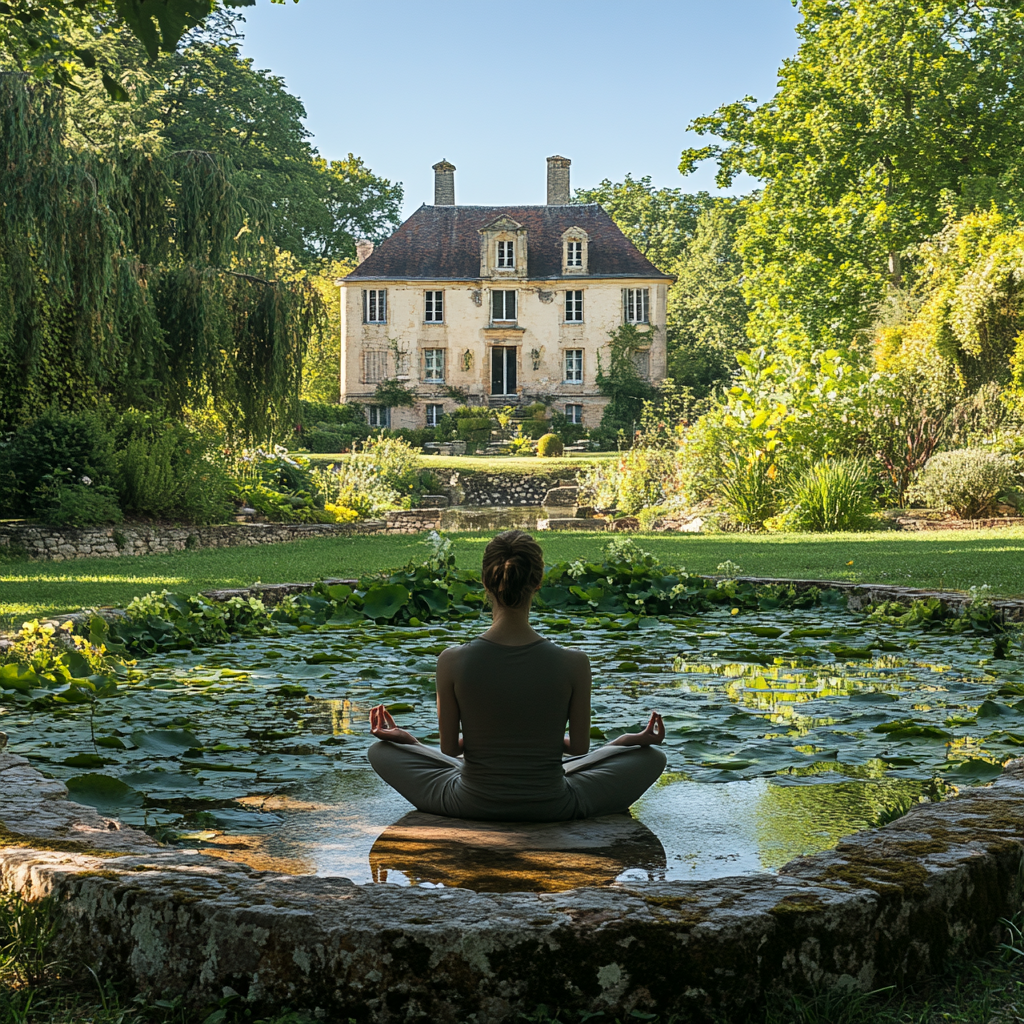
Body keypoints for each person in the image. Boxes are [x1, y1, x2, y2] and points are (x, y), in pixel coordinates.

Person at [367, 530, 666, 822]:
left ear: (485, 581)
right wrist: (623, 742)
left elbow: (450, 750)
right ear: (538, 582)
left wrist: (409, 743)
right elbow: (577, 750)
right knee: (652, 758)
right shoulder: (574, 663)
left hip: (468, 803)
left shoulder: (451, 661)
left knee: (380, 750)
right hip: (553, 805)